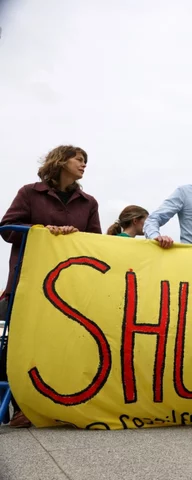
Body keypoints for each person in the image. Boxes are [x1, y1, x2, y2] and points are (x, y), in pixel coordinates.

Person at [0, 145, 102, 428]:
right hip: (30, 280)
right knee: (24, 343)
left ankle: (59, 405)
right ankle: (24, 406)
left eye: (85, 160)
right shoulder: (29, 193)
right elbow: (8, 228)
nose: (83, 164)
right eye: (78, 159)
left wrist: (74, 236)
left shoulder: (88, 202)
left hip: (69, 287)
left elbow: (96, 241)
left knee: (65, 343)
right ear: (61, 161)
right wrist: (42, 231)